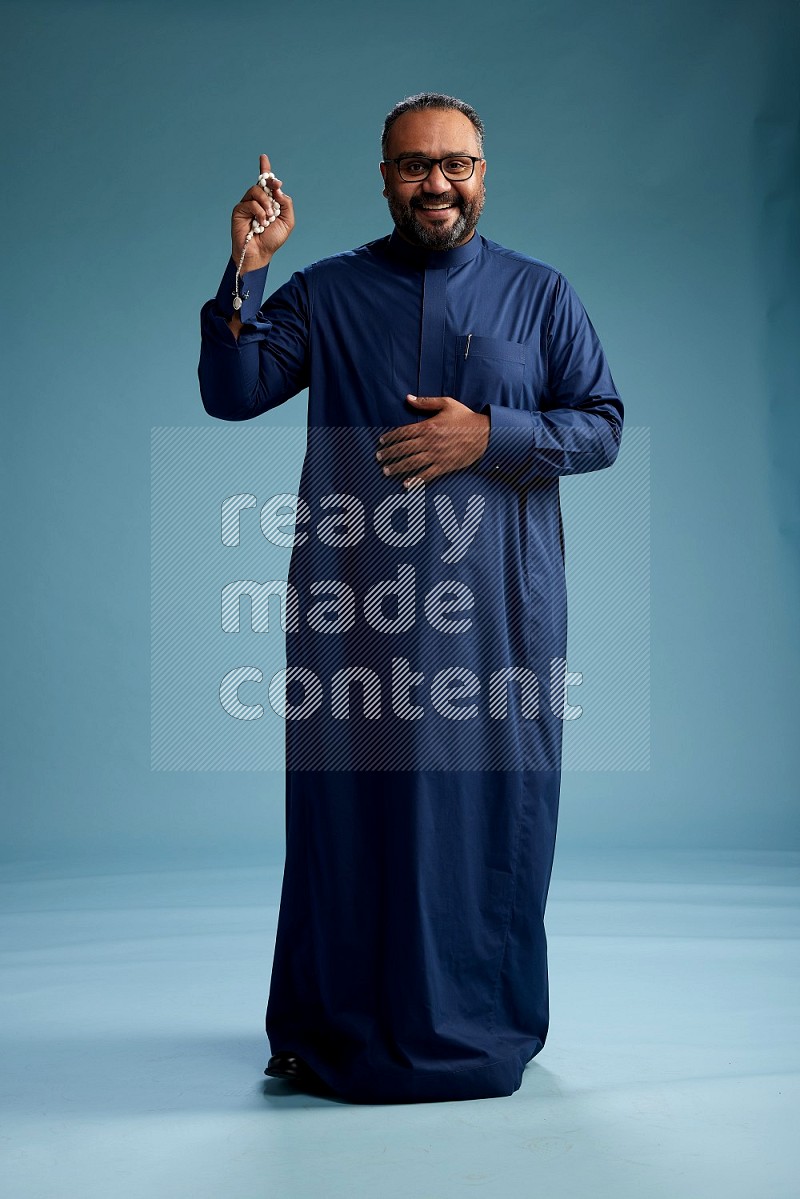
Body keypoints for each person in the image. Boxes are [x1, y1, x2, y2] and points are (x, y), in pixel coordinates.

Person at [198, 93, 623, 1104]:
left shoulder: (539, 294)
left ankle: (482, 1028)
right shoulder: (329, 291)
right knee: (351, 814)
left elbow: (600, 423)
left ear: (483, 171)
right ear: (384, 176)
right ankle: (327, 1025)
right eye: (413, 166)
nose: (436, 183)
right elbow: (231, 388)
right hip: (359, 613)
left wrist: (493, 436)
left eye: (456, 164)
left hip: (500, 616)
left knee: (489, 813)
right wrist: (247, 271)